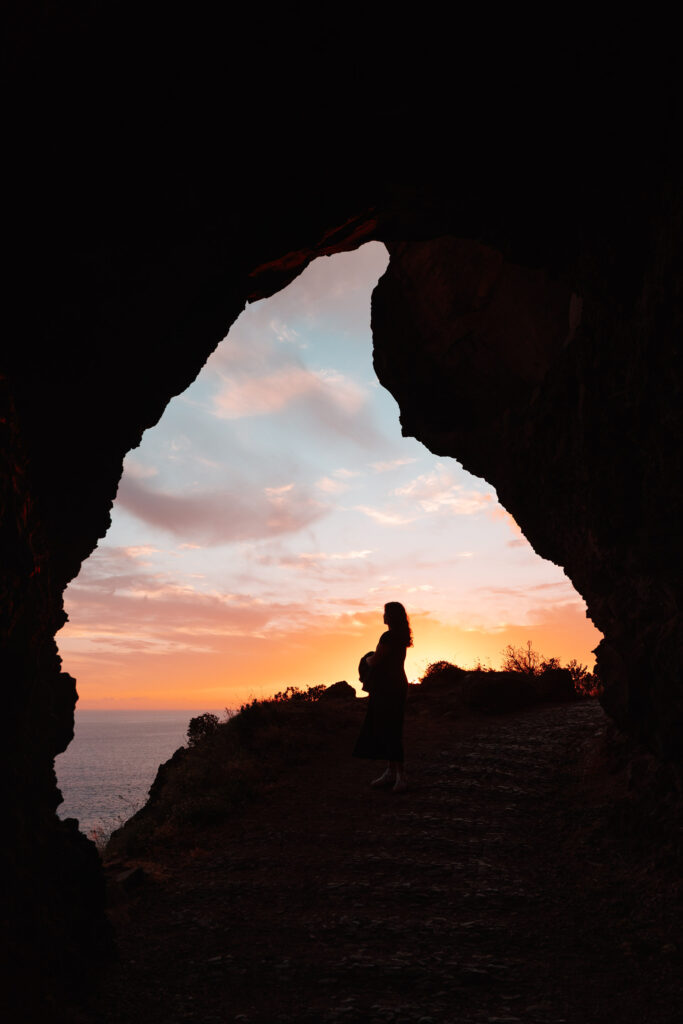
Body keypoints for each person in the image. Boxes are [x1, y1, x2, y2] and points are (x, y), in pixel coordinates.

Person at [353, 602, 412, 793]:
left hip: (388, 688)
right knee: (391, 728)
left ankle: (401, 776)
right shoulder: (402, 636)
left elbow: (376, 659)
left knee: (391, 730)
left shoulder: (388, 636)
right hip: (399, 684)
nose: (383, 616)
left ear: (391, 616)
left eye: (385, 613)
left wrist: (365, 659)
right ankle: (391, 771)